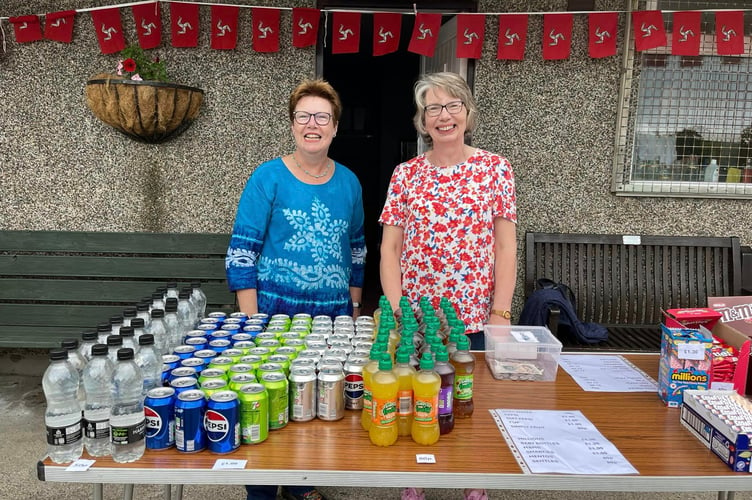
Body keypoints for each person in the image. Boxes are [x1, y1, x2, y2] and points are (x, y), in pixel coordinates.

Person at [379, 72, 517, 500]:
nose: (443, 116)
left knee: (468, 398)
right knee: (418, 394)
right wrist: (398, 306)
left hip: (473, 314)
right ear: (422, 121)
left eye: (452, 105)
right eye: (432, 108)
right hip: (418, 313)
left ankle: (474, 477)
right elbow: (390, 249)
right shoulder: (406, 174)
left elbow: (505, 246)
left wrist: (501, 312)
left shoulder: (495, 167)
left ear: (468, 113)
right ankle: (415, 477)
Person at [226, 78, 366, 500]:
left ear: (335, 127)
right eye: (303, 116)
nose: (312, 124)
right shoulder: (267, 177)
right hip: (273, 317)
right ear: (292, 125)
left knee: (319, 405)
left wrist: (355, 305)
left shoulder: (350, 182)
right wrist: (250, 321)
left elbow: (357, 248)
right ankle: (263, 492)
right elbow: (241, 252)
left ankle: (302, 480)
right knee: (270, 403)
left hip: (331, 321)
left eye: (322, 117)